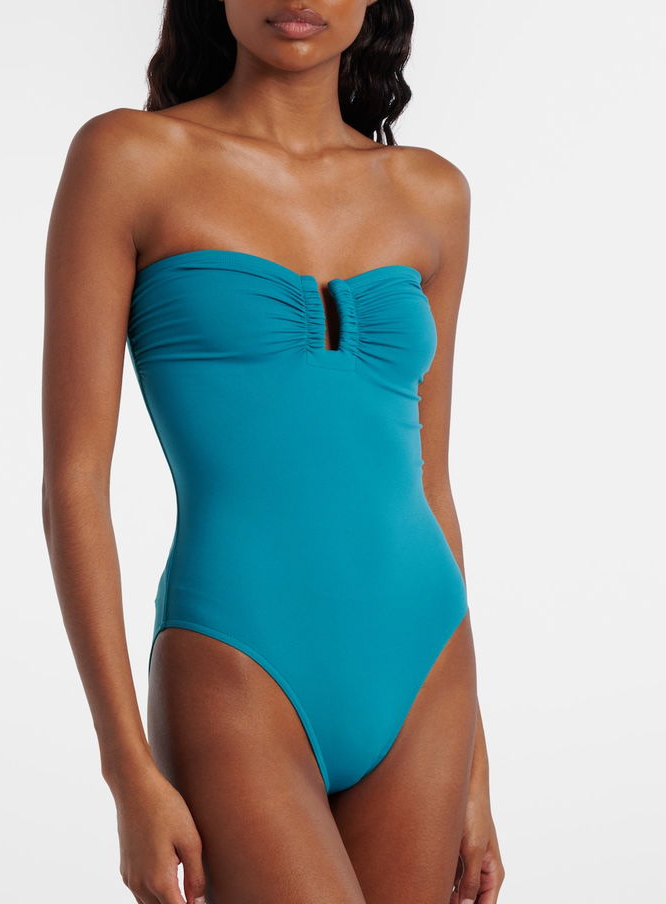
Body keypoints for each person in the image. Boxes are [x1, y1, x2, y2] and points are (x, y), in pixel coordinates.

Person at [42, 2, 504, 902]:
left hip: (426, 662)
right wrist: (126, 769)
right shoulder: (128, 158)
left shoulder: (432, 193)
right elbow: (75, 481)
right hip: (235, 658)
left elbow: (432, 484)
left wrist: (478, 771)